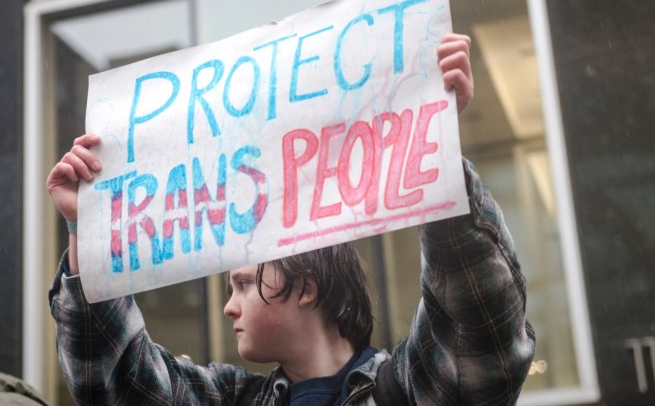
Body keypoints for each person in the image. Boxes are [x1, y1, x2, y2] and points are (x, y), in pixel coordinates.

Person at [46, 33, 536, 405]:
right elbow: (112, 381)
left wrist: (439, 152)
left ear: (306, 286)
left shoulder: (408, 390)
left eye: (241, 283)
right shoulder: (228, 398)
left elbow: (480, 329)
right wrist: (87, 231)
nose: (228, 308)